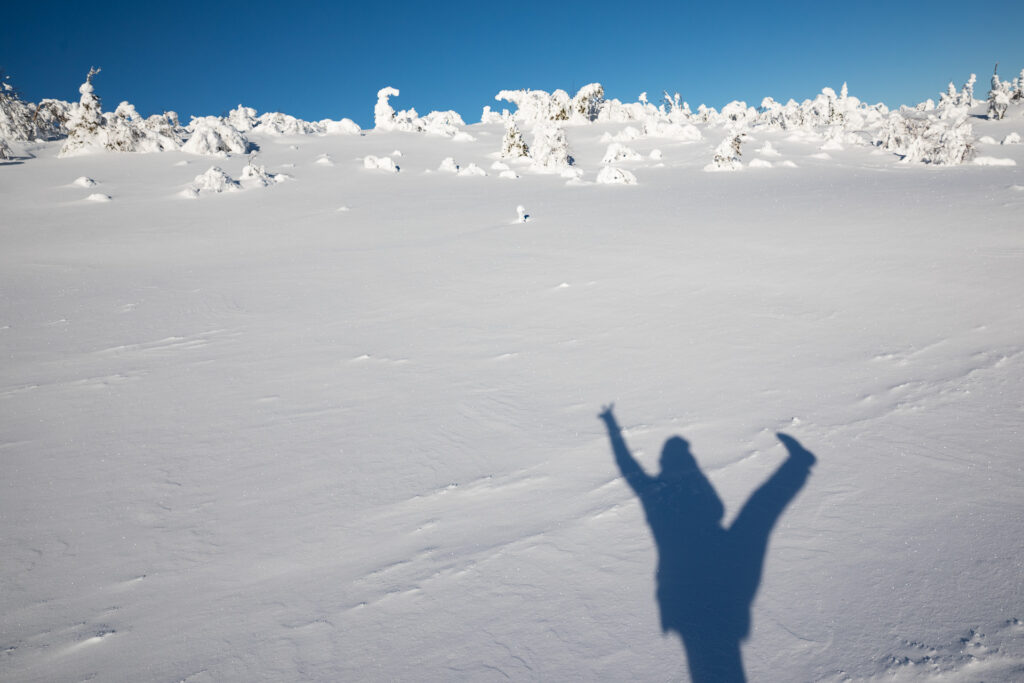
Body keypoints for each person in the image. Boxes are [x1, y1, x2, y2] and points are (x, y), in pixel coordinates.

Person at [599, 404, 815, 683]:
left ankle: (799, 463)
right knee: (716, 666)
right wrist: (611, 424)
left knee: (712, 666)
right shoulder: (659, 494)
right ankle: (799, 463)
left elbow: (628, 467)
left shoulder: (656, 495)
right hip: (705, 587)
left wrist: (611, 425)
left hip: (692, 591)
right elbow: (628, 467)